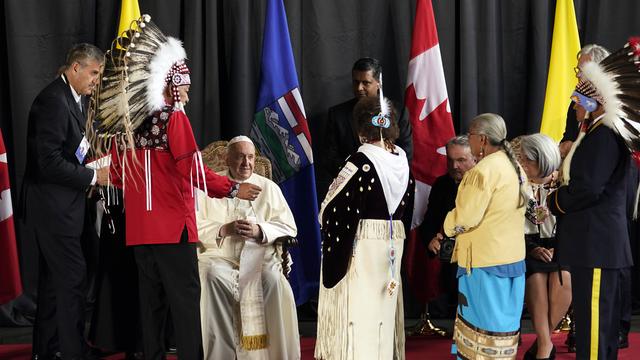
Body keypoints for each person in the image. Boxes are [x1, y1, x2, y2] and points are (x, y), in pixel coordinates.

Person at [91, 15, 262, 360]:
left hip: (140, 231)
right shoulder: (173, 118)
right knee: (185, 306)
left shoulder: (131, 125)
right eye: (183, 84)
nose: (187, 91)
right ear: (170, 84)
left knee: (150, 307)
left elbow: (119, 174)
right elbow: (192, 168)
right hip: (172, 230)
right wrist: (231, 189)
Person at [548, 38, 640, 360]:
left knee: (593, 330)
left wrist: (554, 201)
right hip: (596, 245)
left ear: (594, 100)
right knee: (597, 329)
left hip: (597, 245)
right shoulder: (599, 131)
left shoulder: (603, 135)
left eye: (578, 97)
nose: (574, 103)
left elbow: (588, 188)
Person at [21, 43, 108, 360]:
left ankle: (47, 350)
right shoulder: (53, 101)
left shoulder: (76, 100)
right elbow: (48, 162)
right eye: (94, 73)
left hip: (65, 207)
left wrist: (94, 166)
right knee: (72, 279)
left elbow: (75, 149)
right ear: (75, 67)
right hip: (52, 209)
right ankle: (73, 352)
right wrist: (93, 178)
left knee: (53, 284)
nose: (96, 81)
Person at [315, 95, 414, 360]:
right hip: (392, 246)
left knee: (358, 312)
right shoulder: (402, 161)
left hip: (362, 248)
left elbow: (331, 210)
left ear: (360, 128)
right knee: (382, 310)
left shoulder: (360, 163)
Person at [196, 135, 300, 360]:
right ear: (226, 159)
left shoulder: (268, 188)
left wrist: (260, 231)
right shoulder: (209, 184)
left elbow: (289, 227)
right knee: (211, 275)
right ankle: (220, 354)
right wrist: (225, 229)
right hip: (220, 256)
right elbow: (194, 223)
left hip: (260, 256)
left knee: (271, 280)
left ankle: (271, 354)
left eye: (251, 157)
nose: (246, 163)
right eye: (240, 157)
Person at [443, 113, 528, 360]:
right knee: (503, 330)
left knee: (482, 330)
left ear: (481, 139)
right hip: (512, 261)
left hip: (484, 264)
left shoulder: (483, 171)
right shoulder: (515, 167)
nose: (468, 139)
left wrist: (447, 227)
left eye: (470, 135)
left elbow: (465, 218)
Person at [513, 134, 567, 360]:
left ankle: (541, 342)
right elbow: (512, 223)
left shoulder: (564, 181)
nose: (522, 164)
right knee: (535, 277)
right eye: (522, 158)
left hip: (561, 244)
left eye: (528, 160)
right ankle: (545, 347)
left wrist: (559, 247)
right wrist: (532, 248)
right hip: (526, 245)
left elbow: (573, 221)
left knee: (564, 281)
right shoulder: (517, 183)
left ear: (544, 160)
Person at [324, 57, 413, 182]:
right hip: (350, 186)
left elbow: (405, 153)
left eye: (365, 83)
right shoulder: (337, 114)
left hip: (388, 184)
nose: (359, 88)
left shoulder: (399, 112)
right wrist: (356, 175)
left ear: (378, 83)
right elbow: (330, 158)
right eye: (356, 82)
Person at [424, 135, 476, 320]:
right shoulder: (442, 184)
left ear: (475, 158)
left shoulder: (485, 183)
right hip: (452, 254)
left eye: (461, 160)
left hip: (481, 253)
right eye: (450, 160)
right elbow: (430, 220)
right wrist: (431, 238)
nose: (454, 166)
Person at [558, 44, 610, 159]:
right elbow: (568, 137)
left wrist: (576, 148)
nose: (577, 74)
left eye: (582, 70)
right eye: (577, 69)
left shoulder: (612, 108)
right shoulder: (577, 99)